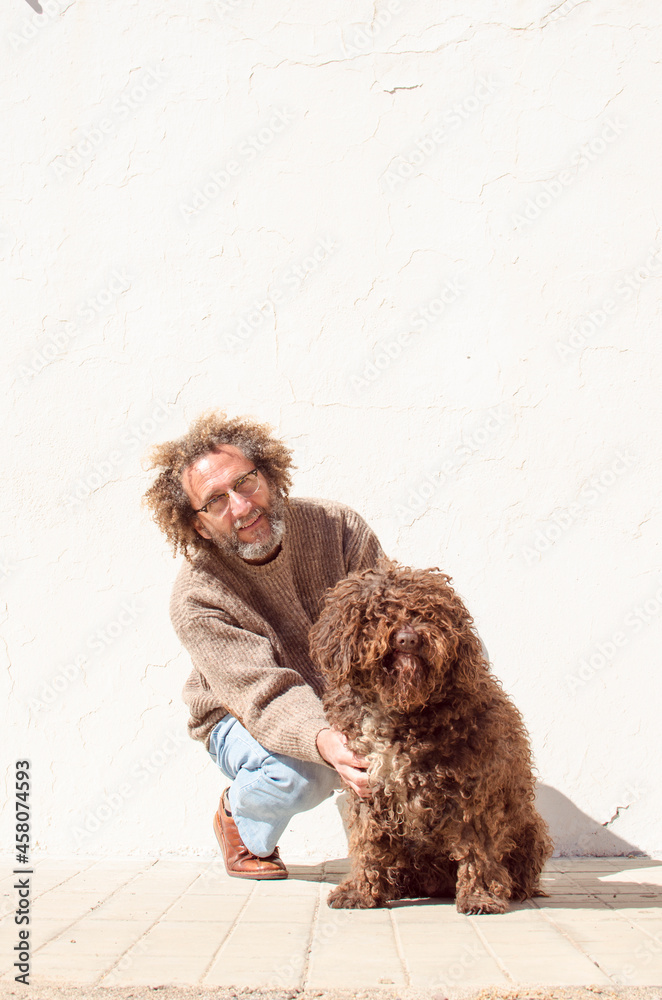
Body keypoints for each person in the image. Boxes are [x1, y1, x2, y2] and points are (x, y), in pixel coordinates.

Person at [143, 410, 384, 879]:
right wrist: (326, 740)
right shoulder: (197, 597)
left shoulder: (338, 527)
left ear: (269, 477)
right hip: (237, 711)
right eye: (215, 501)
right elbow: (265, 695)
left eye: (245, 483)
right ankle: (239, 817)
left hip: (337, 695)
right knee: (305, 774)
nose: (240, 506)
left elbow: (387, 627)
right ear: (199, 525)